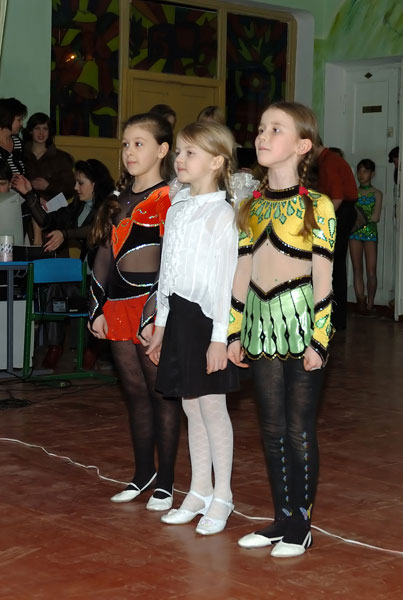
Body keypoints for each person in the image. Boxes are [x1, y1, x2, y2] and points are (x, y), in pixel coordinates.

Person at [228, 101, 336, 558]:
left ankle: (301, 525)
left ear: (302, 145)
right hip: (259, 322)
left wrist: (320, 339)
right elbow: (242, 269)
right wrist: (234, 330)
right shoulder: (251, 205)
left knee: (298, 429)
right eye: (260, 128)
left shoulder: (318, 205)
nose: (262, 136)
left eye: (276, 129)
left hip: (300, 322)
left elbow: (324, 278)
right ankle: (281, 517)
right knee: (270, 428)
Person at [146, 121, 239, 536]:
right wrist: (160, 325)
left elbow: (224, 283)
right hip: (180, 316)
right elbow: (168, 273)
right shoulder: (178, 208)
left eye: (189, 153)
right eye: (179, 152)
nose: (179, 160)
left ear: (216, 162)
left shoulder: (222, 214)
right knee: (189, 405)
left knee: (212, 407)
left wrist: (220, 338)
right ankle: (199, 489)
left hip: (208, 320)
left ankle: (224, 494)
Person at [88, 113, 180, 511]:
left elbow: (172, 263)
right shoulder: (115, 199)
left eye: (139, 143)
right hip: (117, 307)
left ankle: (167, 482)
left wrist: (155, 315)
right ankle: (143, 473)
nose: (129, 151)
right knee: (136, 395)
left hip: (152, 308)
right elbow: (103, 256)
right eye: (125, 144)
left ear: (162, 150)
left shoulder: (171, 198)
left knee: (162, 395)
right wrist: (96, 308)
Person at [13, 159, 115, 369]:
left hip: (104, 278)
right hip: (85, 273)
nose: (76, 188)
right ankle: (55, 346)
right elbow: (46, 221)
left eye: (81, 183)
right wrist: (29, 194)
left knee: (85, 292)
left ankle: (93, 348)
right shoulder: (78, 205)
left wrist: (65, 234)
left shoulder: (111, 205)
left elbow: (95, 230)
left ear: (95, 184)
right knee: (55, 286)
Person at [315, 141, 357, 330]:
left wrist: (322, 221)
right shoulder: (328, 160)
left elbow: (337, 198)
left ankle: (335, 318)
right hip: (342, 212)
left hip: (341, 212)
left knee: (333, 265)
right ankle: (336, 319)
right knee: (335, 265)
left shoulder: (329, 161)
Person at [23, 112, 76, 245]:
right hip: (25, 214)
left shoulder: (61, 157)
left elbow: (71, 188)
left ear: (49, 131)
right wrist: (32, 192)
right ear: (30, 131)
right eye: (37, 128)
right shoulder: (21, 156)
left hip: (54, 215)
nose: (41, 133)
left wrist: (49, 186)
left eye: (45, 128)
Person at [349, 159, 383, 314]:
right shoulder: (352, 192)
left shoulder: (377, 193)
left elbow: (376, 217)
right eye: (360, 171)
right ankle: (360, 302)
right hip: (354, 234)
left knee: (371, 271)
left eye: (366, 171)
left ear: (372, 174)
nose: (361, 174)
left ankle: (370, 304)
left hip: (370, 234)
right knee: (357, 269)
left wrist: (359, 220)